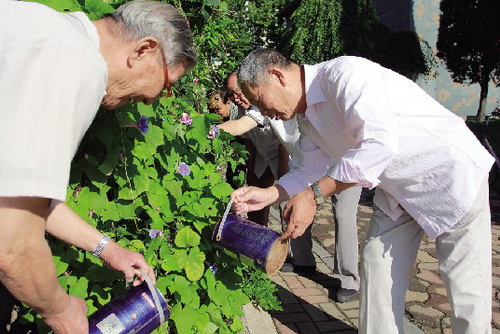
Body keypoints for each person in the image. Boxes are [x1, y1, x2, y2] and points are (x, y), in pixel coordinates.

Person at [231, 49, 493, 333]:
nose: (264, 112)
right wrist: (270, 194)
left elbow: (379, 145)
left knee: (466, 288)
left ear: (277, 76)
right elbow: (307, 168)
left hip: (449, 177)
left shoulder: (346, 75)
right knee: (376, 266)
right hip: (397, 192)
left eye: (259, 100)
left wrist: (314, 195)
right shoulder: (304, 115)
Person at [0, 1, 196, 333]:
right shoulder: (74, 62)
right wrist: (61, 310)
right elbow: (11, 241)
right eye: (166, 86)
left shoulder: (44, 31)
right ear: (144, 51)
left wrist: (108, 249)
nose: (152, 100)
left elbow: (17, 197)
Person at [222, 72, 282, 227]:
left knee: (288, 207)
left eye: (238, 92)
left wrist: (207, 129)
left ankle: (292, 248)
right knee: (256, 203)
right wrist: (251, 169)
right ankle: (258, 236)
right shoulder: (242, 109)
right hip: (264, 158)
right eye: (231, 94)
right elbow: (249, 140)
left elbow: (238, 126)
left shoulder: (261, 107)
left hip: (284, 159)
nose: (236, 98)